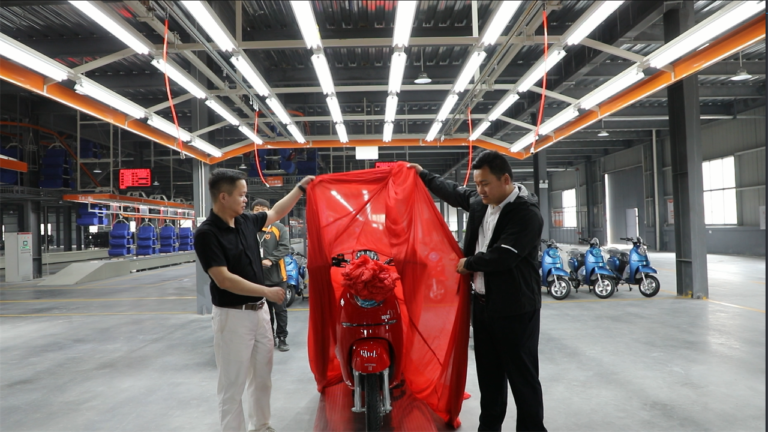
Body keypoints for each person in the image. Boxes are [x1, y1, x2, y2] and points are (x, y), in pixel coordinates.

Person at [408, 150, 547, 432]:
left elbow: (504, 255)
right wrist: (423, 175)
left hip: (516, 309)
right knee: (490, 378)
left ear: (505, 179)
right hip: (484, 307)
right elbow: (455, 193)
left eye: (485, 183)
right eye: (477, 183)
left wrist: (467, 262)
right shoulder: (481, 202)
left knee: (523, 378)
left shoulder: (526, 214)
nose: (479, 189)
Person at [194, 168, 313, 432]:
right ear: (223, 197)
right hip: (232, 317)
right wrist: (266, 291)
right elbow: (222, 279)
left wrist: (300, 189)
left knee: (262, 378)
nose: (246, 200)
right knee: (232, 385)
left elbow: (275, 213)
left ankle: (261, 426)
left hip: (259, 315)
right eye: (242, 195)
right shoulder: (207, 234)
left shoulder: (246, 221)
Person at [252, 199, 291, 352]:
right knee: (264, 310)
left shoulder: (278, 227)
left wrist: (271, 259)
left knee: (280, 309)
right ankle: (270, 337)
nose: (260, 211)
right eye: (256, 209)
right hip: (257, 278)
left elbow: (285, 247)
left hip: (277, 277)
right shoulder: (250, 228)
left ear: (269, 210)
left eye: (263, 208)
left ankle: (282, 337)